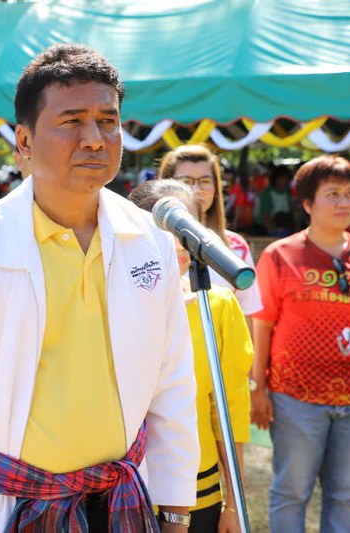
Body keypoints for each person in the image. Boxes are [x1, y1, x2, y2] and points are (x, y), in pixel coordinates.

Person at [0, 43, 199, 532]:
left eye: (108, 121)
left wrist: (174, 508)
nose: (94, 139)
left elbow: (172, 383)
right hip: (14, 508)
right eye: (72, 121)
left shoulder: (148, 239)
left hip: (122, 503)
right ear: (24, 141)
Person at [250, 155, 350, 533]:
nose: (343, 202)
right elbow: (263, 325)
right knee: (290, 492)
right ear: (307, 203)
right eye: (332, 194)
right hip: (295, 399)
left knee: (347, 496)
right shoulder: (280, 255)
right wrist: (258, 387)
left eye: (349, 193)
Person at [129, 179, 252, 533]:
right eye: (165, 227)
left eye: (187, 226)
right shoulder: (108, 304)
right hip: (122, 490)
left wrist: (234, 503)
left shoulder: (218, 307)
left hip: (199, 492)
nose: (178, 242)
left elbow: (230, 412)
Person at [158, 144, 263, 329]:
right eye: (186, 180)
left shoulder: (236, 247)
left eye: (205, 181)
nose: (196, 188)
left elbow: (245, 318)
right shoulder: (150, 244)